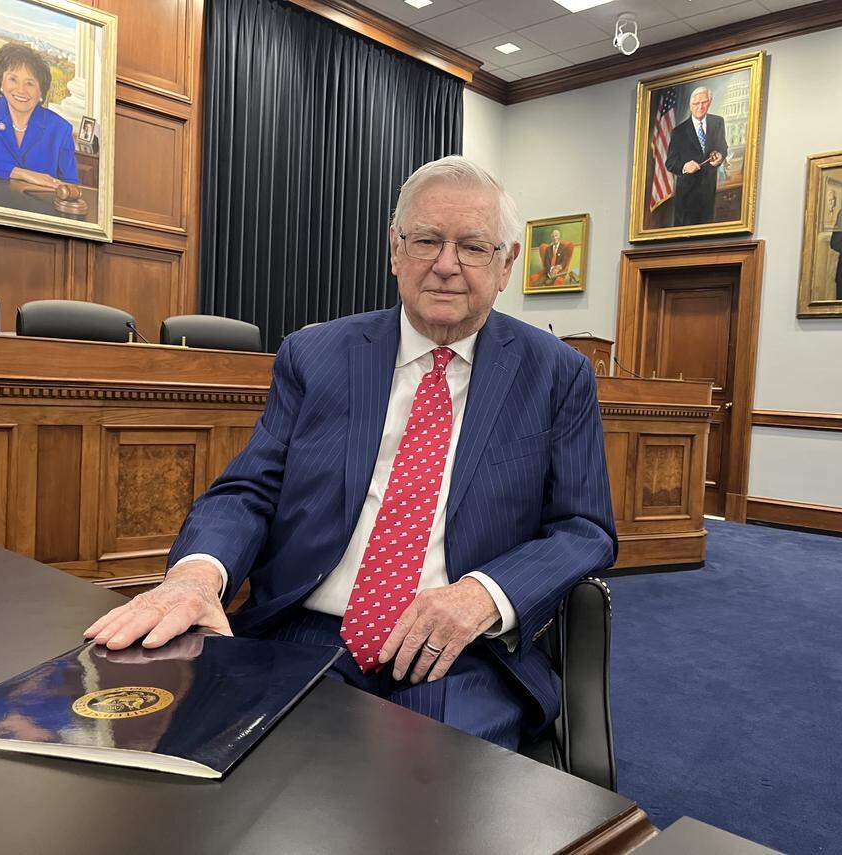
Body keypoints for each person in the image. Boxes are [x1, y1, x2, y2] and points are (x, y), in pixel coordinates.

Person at [83, 156, 617, 750]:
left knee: (435, 786)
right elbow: (249, 491)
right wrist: (196, 576)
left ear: (507, 263)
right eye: (426, 241)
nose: (446, 265)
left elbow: (583, 529)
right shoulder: (315, 355)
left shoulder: (556, 375)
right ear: (395, 250)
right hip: (308, 635)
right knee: (251, 771)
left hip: (462, 650)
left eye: (472, 247)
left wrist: (480, 596)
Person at [0, 42, 78, 189]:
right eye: (13, 79)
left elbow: (71, 186)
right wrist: (20, 173)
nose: (21, 90)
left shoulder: (60, 130)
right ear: (1, 83)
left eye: (29, 83)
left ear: (41, 92)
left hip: (37, 203)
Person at [664, 86, 728, 226]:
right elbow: (670, 163)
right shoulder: (678, 132)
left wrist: (720, 155)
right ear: (690, 105)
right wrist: (684, 167)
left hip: (709, 190)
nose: (700, 107)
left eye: (704, 102)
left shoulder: (718, 122)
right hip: (687, 196)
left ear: (709, 102)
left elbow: (723, 147)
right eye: (696, 103)